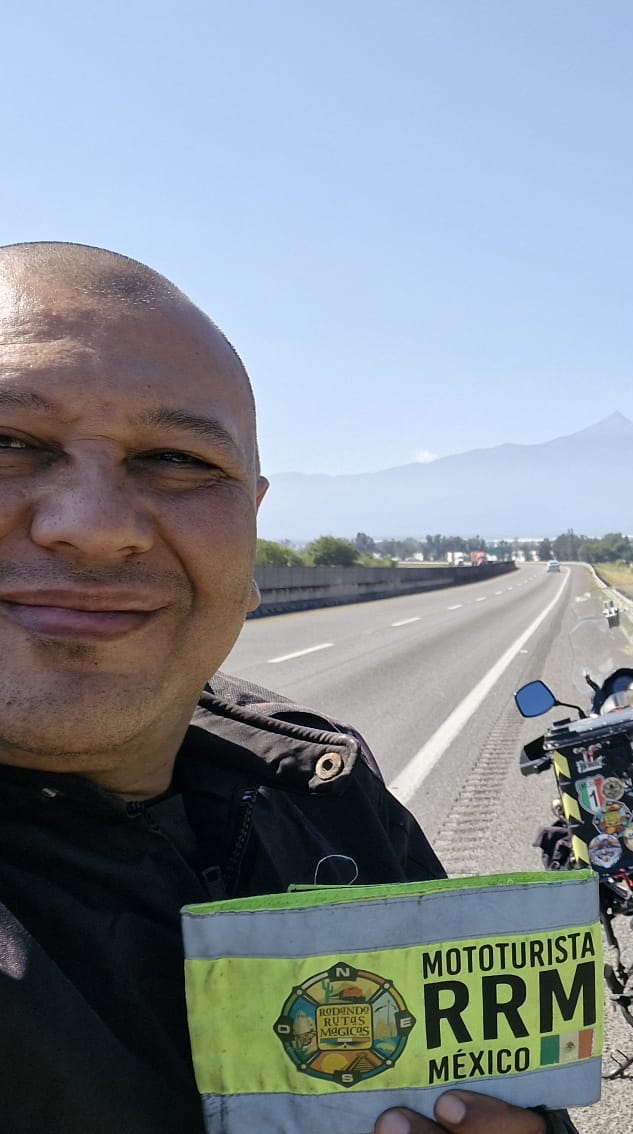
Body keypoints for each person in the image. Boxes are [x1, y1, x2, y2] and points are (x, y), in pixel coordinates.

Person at [0, 242, 571, 1134]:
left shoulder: (322, 789)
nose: (96, 528)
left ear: (251, 533)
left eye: (178, 461)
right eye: (9, 443)